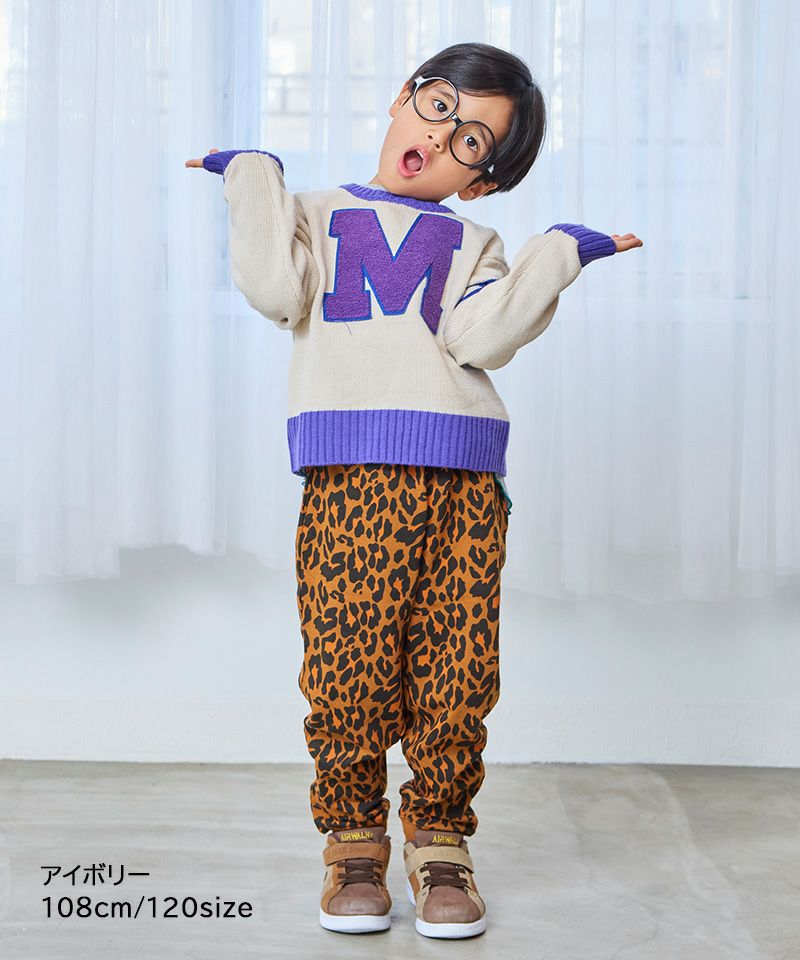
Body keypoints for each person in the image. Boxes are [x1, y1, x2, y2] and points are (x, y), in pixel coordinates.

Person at [186, 40, 642, 940]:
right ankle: (354, 842)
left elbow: (479, 340)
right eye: (439, 107)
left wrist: (557, 254)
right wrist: (253, 177)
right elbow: (277, 292)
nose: (441, 137)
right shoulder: (315, 212)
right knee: (348, 668)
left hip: (463, 479)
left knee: (457, 671)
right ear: (405, 97)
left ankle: (440, 840)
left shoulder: (477, 242)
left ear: (481, 180)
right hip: (352, 476)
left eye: (472, 140)